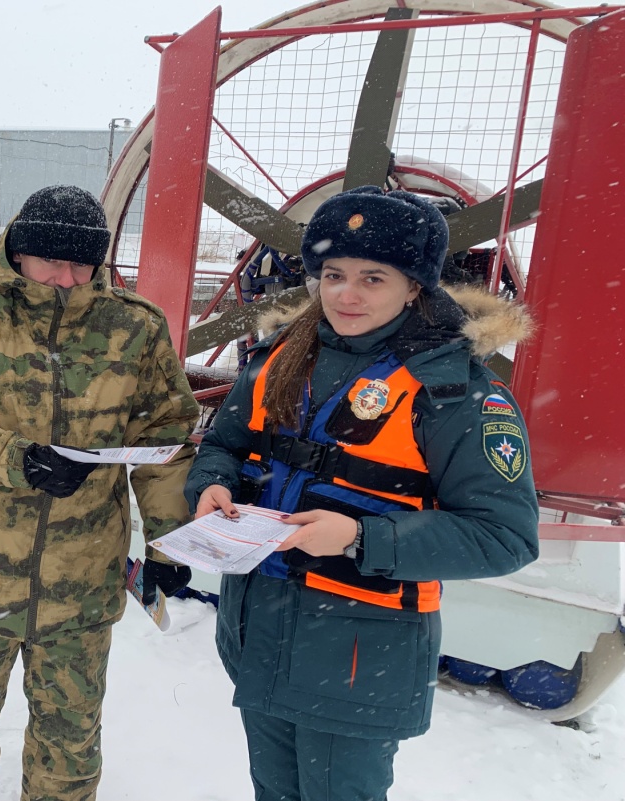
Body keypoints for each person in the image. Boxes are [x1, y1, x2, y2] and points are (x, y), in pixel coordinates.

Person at [184, 186, 539, 801]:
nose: (346, 294)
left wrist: (358, 536)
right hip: (257, 630)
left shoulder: (457, 394)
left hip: (358, 653)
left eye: (373, 278)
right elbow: (224, 443)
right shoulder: (278, 359)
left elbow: (504, 536)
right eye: (333, 274)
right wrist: (212, 482)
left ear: (415, 288)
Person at [0, 185, 200, 801]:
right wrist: (14, 459)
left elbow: (165, 444)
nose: (68, 278)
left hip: (80, 584)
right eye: (52, 260)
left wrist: (170, 545)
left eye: (83, 263)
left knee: (71, 747)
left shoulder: (134, 327)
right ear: (19, 252)